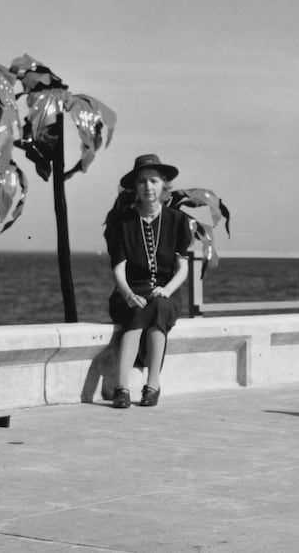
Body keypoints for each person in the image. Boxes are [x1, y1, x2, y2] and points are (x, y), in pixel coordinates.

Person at [103, 154, 195, 409]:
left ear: (164, 186)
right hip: (129, 291)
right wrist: (127, 293)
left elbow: (182, 269)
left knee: (158, 307)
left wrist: (167, 290)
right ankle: (122, 388)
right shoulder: (123, 223)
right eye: (142, 181)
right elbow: (119, 269)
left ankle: (151, 385)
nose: (148, 187)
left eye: (153, 181)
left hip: (165, 292)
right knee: (138, 308)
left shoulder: (178, 221)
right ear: (135, 187)